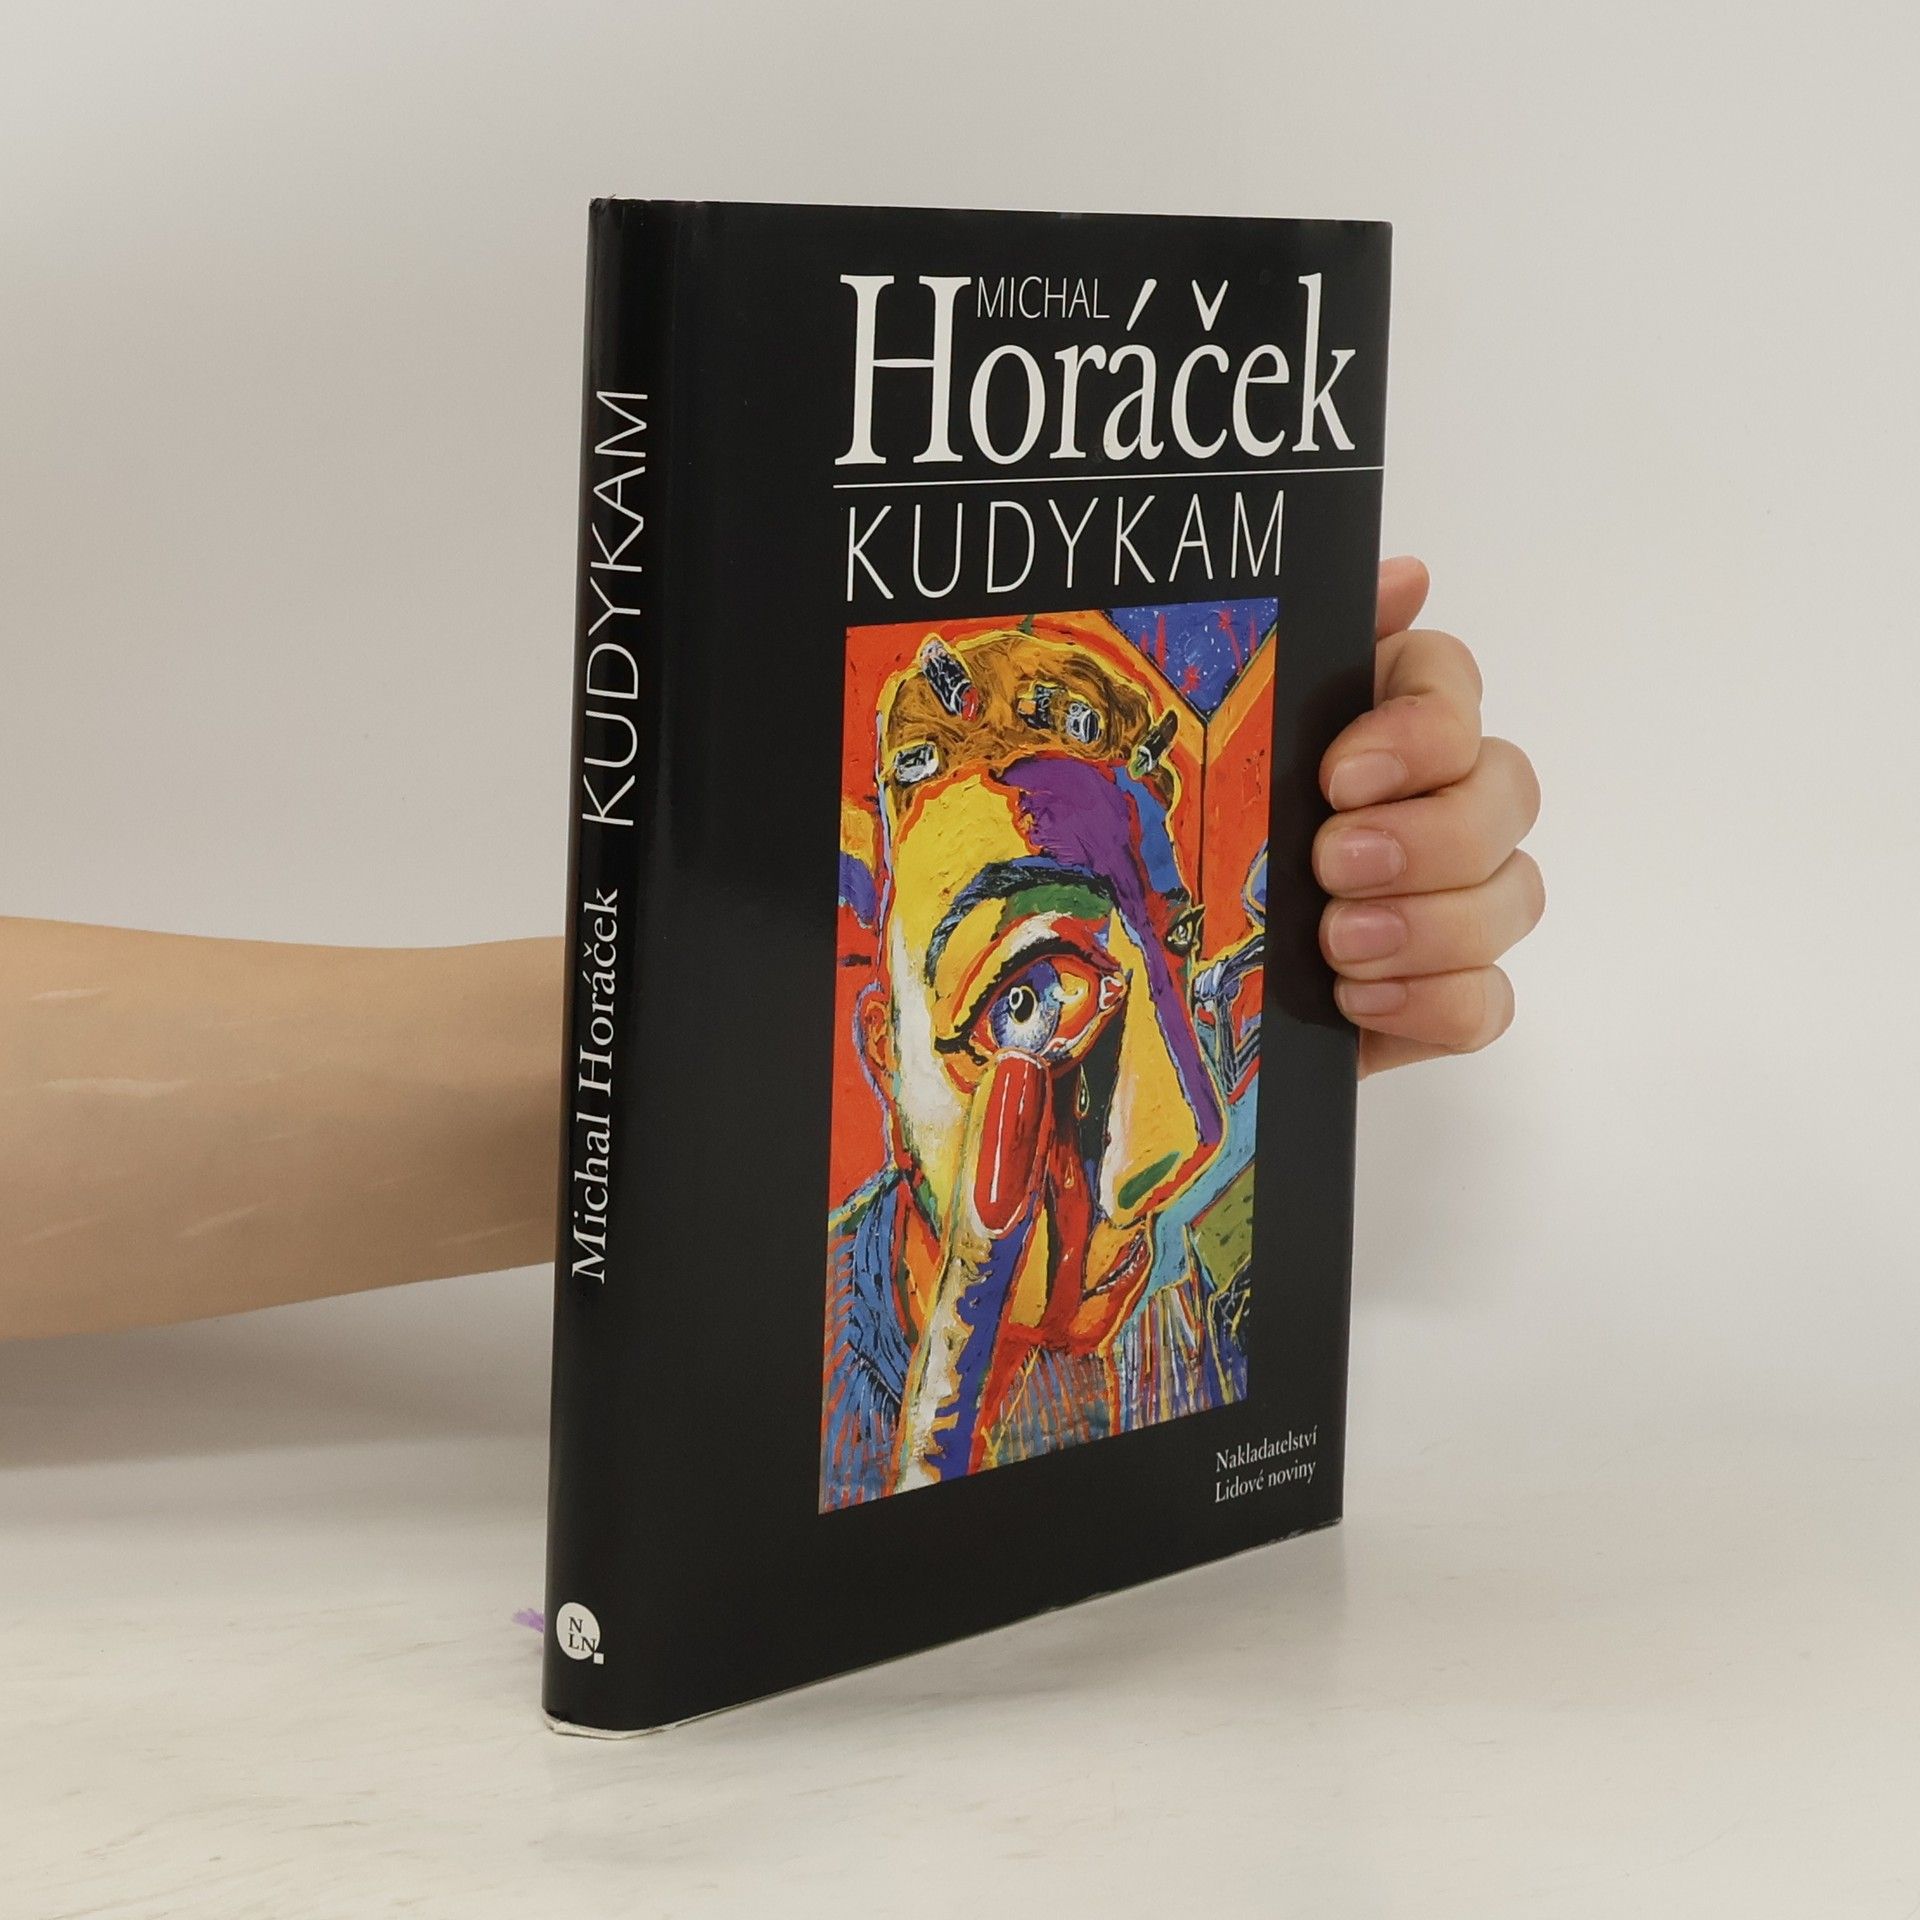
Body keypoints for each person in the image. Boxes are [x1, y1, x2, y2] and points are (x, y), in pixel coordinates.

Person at [0, 559, 1542, 1344]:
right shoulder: (805, 1395)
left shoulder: (1206, 1301)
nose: (1182, 1145)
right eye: (1028, 1001)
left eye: (1176, 965)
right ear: (876, 1046)